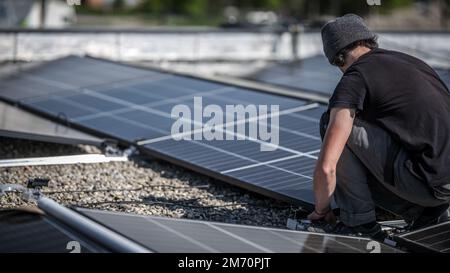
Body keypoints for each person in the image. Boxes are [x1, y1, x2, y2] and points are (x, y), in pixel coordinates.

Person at [306, 14, 450, 238]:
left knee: (333, 124)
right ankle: (429, 213)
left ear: (338, 57)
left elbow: (327, 167)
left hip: (430, 186)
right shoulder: (412, 62)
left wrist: (321, 210)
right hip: (443, 186)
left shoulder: (354, 78)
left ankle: (359, 223)